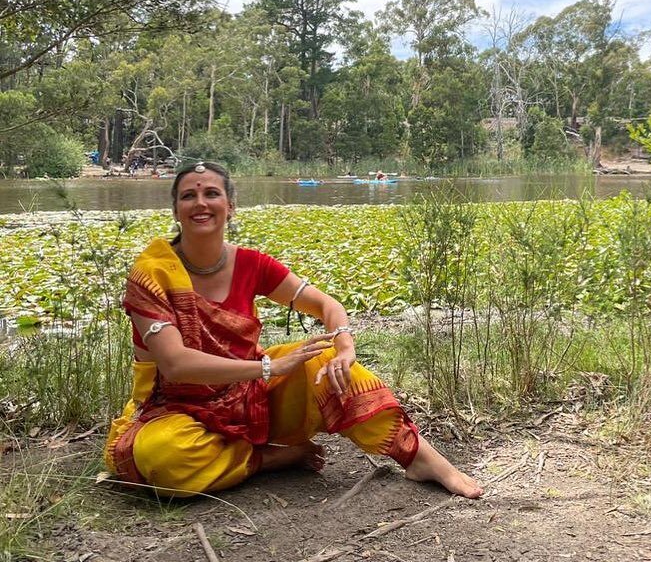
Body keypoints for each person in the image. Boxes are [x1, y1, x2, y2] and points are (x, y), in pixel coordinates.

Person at [104, 160, 483, 499]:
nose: (200, 203)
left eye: (211, 194)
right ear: (175, 210)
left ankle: (418, 456)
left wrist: (345, 348)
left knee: (330, 362)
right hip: (174, 410)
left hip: (248, 398)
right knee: (160, 459)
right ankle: (269, 458)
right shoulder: (152, 274)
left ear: (230, 207)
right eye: (188, 195)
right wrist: (268, 369)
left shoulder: (251, 264)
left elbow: (326, 305)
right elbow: (175, 365)